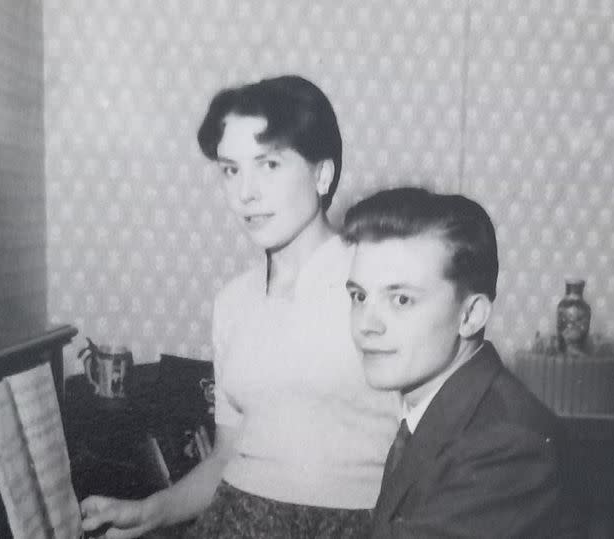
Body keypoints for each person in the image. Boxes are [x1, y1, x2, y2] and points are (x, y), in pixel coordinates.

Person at [80, 75, 398, 538]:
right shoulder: (233, 303)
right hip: (235, 523)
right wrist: (149, 511)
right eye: (231, 170)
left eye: (268, 165)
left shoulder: (379, 283)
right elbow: (227, 459)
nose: (245, 192)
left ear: (322, 174)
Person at [342, 187, 581, 538]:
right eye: (359, 296)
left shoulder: (507, 446)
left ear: (470, 315)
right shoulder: (442, 407)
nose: (366, 324)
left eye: (402, 299)